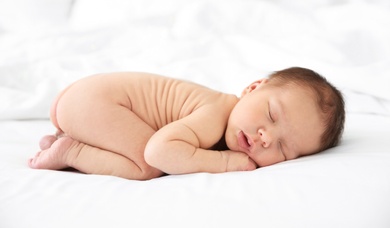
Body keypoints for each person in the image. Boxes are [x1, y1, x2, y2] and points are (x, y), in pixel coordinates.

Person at [28, 67, 345, 180]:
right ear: (251, 88)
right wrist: (222, 162)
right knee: (146, 166)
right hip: (97, 101)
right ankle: (72, 151)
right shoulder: (215, 111)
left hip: (86, 105)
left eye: (283, 148)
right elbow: (159, 152)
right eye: (272, 115)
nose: (266, 137)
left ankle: (64, 139)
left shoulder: (227, 123)